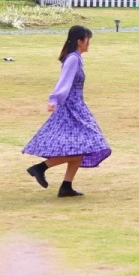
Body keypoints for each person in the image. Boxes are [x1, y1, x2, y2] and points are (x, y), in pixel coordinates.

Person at [23, 25, 110, 197]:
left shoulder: (75, 58)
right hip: (72, 109)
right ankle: (40, 168)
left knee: (80, 147)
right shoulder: (73, 59)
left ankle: (66, 186)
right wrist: (54, 99)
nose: (89, 43)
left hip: (77, 107)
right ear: (79, 41)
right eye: (87, 40)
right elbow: (64, 81)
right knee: (83, 144)